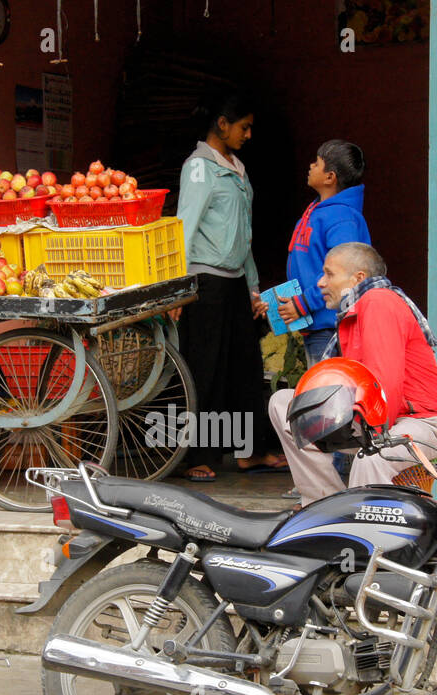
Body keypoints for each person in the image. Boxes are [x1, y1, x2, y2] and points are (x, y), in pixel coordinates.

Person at [268, 242, 437, 504]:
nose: (320, 282)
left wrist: (375, 441)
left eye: (329, 274)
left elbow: (383, 383)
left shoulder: (378, 301)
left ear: (358, 278)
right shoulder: (353, 311)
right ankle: (326, 508)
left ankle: (358, 530)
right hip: (375, 417)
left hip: (421, 423)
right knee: (285, 405)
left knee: (373, 457)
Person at [172, 91, 286, 482]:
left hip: (236, 283)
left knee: (244, 368)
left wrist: (253, 288)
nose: (248, 134)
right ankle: (196, 456)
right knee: (205, 370)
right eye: (244, 126)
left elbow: (245, 237)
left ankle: (249, 452)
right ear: (221, 123)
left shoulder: (236, 168)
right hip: (205, 284)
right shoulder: (200, 168)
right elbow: (184, 227)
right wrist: (178, 286)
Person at [278, 140, 371, 366]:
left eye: (316, 163)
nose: (310, 166)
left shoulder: (342, 218)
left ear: (330, 177)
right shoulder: (318, 210)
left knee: (328, 395)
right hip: (318, 324)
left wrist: (304, 304)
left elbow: (342, 275)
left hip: (332, 328)